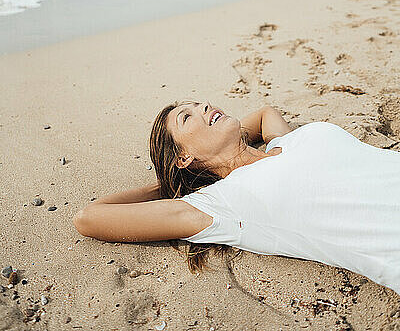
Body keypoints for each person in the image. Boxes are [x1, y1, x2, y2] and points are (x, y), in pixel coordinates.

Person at [73, 100, 400, 295]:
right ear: (183, 157)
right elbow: (88, 217)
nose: (202, 106)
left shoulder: (283, 143)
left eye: (197, 103)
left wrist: (226, 143)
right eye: (187, 118)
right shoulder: (224, 204)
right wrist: (173, 182)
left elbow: (264, 114)